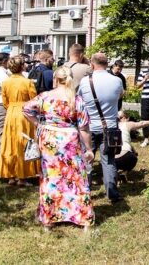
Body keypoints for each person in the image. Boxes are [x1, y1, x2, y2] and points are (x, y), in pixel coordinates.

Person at [23, 66, 95, 230]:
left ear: (55, 79)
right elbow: (84, 128)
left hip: (49, 140)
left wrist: (38, 124)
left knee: (50, 177)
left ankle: (49, 220)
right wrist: (89, 149)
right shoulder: (76, 100)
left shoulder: (45, 97)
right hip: (70, 140)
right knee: (77, 178)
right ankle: (83, 218)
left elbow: (26, 109)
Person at [78, 52, 125, 202]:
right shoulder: (117, 81)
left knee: (87, 159)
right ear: (107, 64)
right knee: (109, 160)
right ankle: (112, 193)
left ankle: (85, 192)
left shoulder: (85, 82)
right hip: (110, 127)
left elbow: (79, 100)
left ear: (92, 64)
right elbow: (120, 96)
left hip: (89, 127)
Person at [0, 55, 40, 186]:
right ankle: (22, 177)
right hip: (24, 114)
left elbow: (4, 102)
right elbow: (34, 101)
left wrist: (12, 107)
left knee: (10, 142)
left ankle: (11, 175)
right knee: (24, 143)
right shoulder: (27, 82)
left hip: (11, 113)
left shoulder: (5, 82)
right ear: (22, 66)